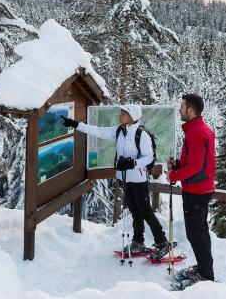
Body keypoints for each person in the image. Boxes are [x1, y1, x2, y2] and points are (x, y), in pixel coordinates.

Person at [61, 104, 168, 254]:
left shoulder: (141, 135)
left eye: (123, 114)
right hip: (125, 179)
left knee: (146, 211)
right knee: (135, 211)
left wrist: (133, 163)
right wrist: (76, 124)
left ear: (131, 117)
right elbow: (98, 131)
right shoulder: (119, 131)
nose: (120, 116)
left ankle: (162, 241)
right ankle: (138, 242)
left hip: (139, 180)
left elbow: (149, 157)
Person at [167, 94, 216, 284]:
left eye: (182, 106)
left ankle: (206, 275)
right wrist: (179, 164)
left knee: (197, 234)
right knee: (199, 233)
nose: (179, 109)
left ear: (190, 110)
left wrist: (174, 175)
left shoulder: (196, 132)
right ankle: (204, 268)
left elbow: (195, 167)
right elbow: (198, 163)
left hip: (197, 191)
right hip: (200, 189)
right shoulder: (199, 130)